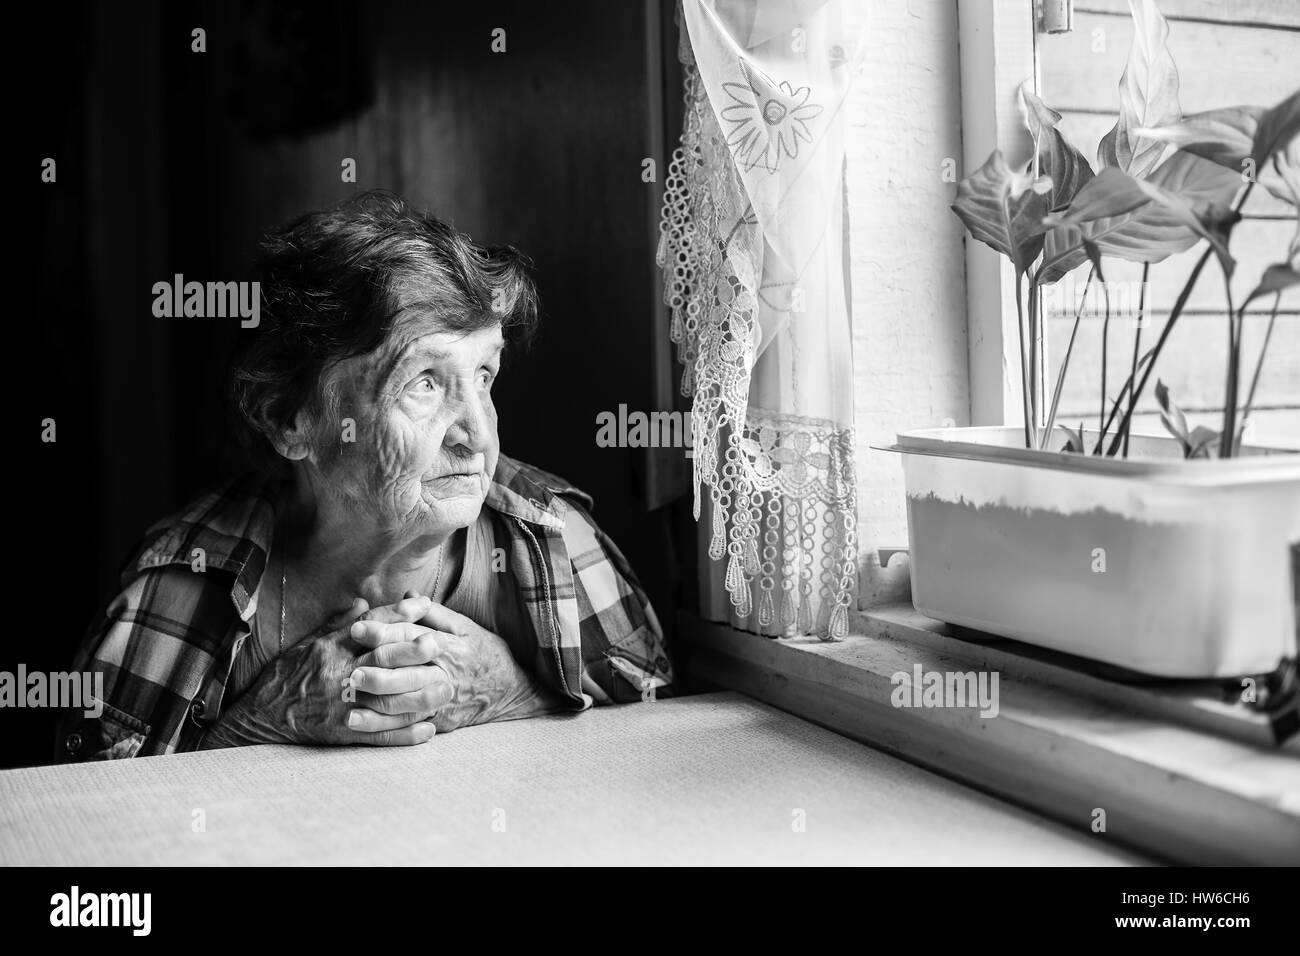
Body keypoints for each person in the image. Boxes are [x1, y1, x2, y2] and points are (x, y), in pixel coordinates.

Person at [57, 191, 673, 761]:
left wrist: (516, 693)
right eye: (424, 383)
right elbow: (83, 821)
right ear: (289, 420)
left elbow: (661, 752)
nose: (478, 434)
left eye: (484, 374)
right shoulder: (184, 584)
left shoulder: (552, 541)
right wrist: (259, 720)